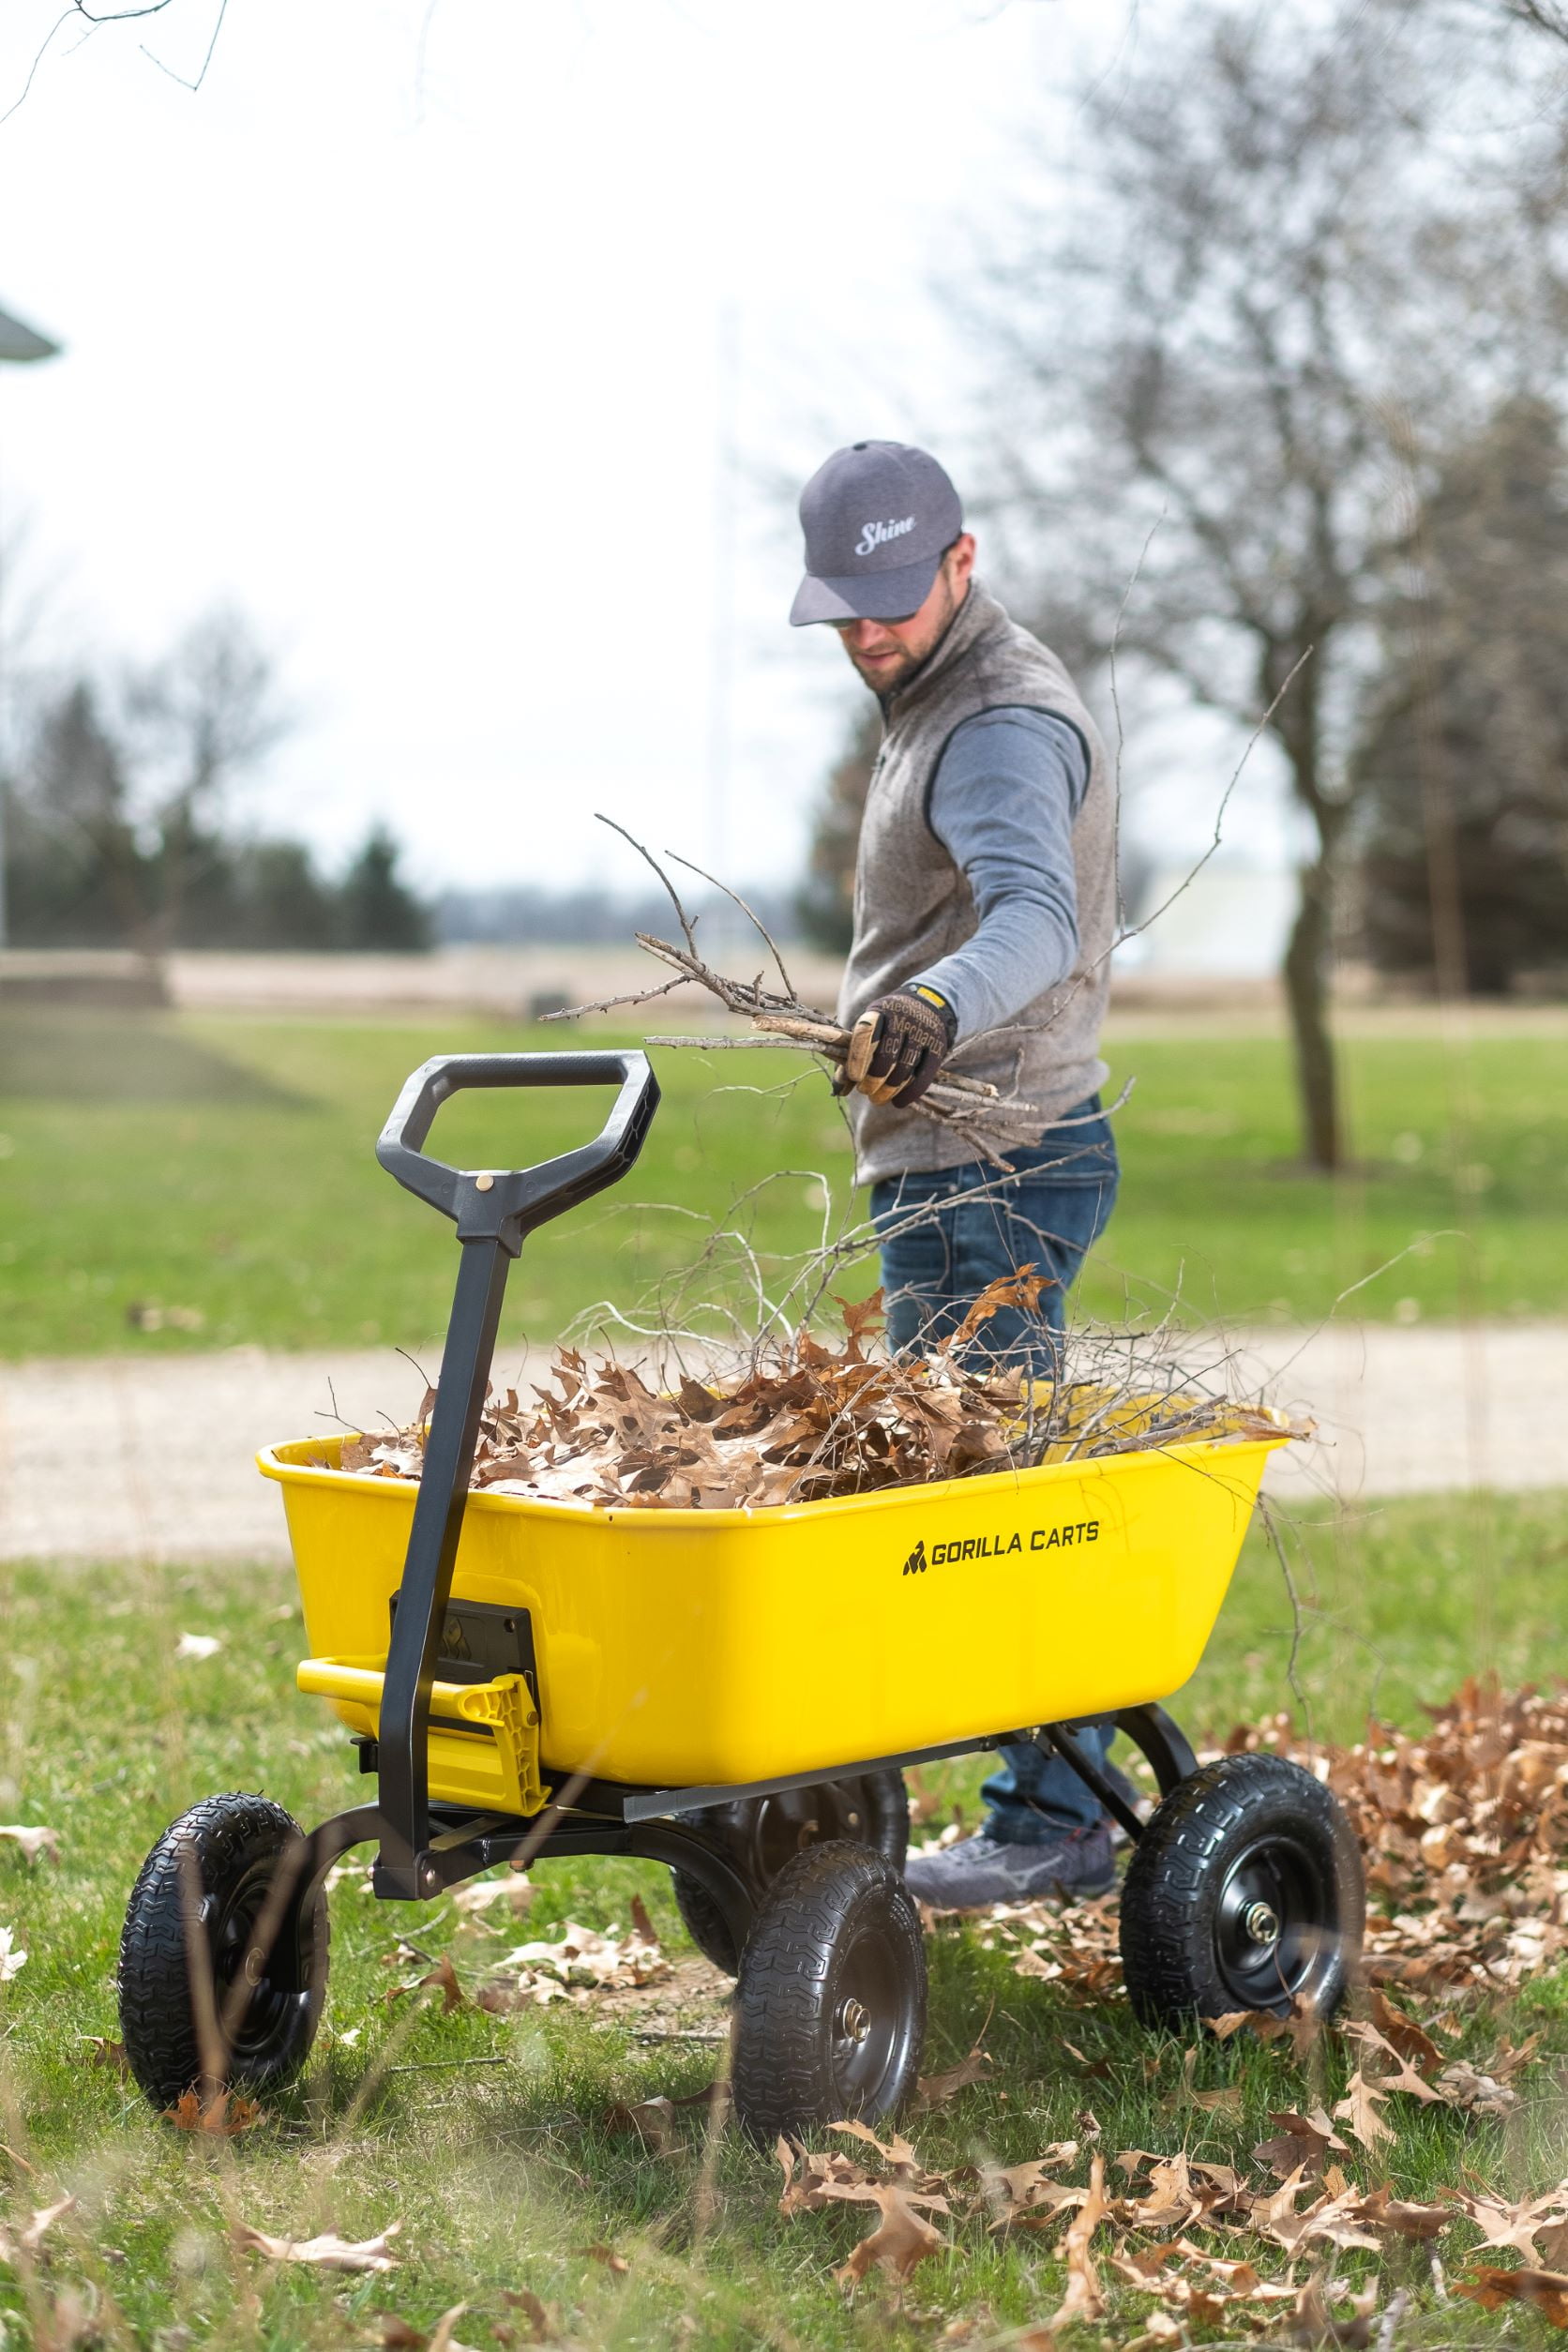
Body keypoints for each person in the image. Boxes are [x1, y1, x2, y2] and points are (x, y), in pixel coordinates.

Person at [791, 438, 1126, 1907]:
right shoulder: (928, 692)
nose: (870, 627)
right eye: (844, 602)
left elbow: (1037, 919)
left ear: (962, 561)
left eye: (895, 595)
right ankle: (1025, 1798)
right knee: (963, 1484)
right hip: (959, 1149)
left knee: (987, 1499)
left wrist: (931, 1011)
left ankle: (1054, 1820)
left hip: (993, 1158)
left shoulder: (996, 720)